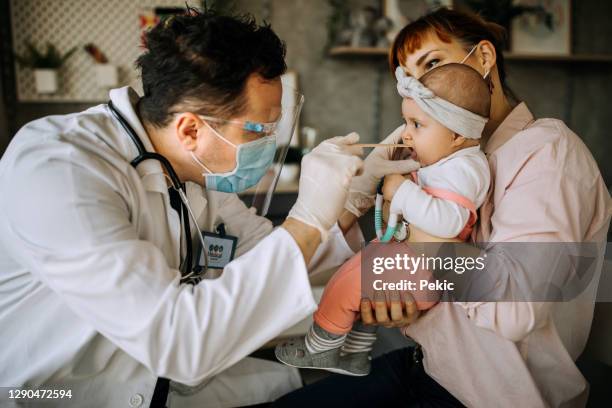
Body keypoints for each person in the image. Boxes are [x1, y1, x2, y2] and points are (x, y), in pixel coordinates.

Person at [0, 8, 420, 408]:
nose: (268, 145)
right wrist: (309, 216)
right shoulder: (60, 172)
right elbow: (178, 341)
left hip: (157, 383)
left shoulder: (196, 170)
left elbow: (275, 255)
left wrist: (357, 195)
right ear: (190, 128)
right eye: (259, 129)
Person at [273, 7, 610, 408]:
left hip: (488, 396)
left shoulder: (549, 152)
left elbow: (517, 310)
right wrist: (363, 187)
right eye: (410, 81)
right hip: (430, 366)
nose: (422, 91)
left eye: (433, 65)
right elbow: (335, 259)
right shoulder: (443, 165)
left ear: (484, 59)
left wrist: (416, 232)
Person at [275, 62, 491, 376]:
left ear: (457, 135)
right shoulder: (449, 162)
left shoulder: (463, 168)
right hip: (411, 260)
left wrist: (400, 191)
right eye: (406, 122)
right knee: (355, 291)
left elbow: (449, 223)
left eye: (417, 124)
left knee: (344, 285)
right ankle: (355, 355)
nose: (405, 133)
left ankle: (318, 347)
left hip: (420, 268)